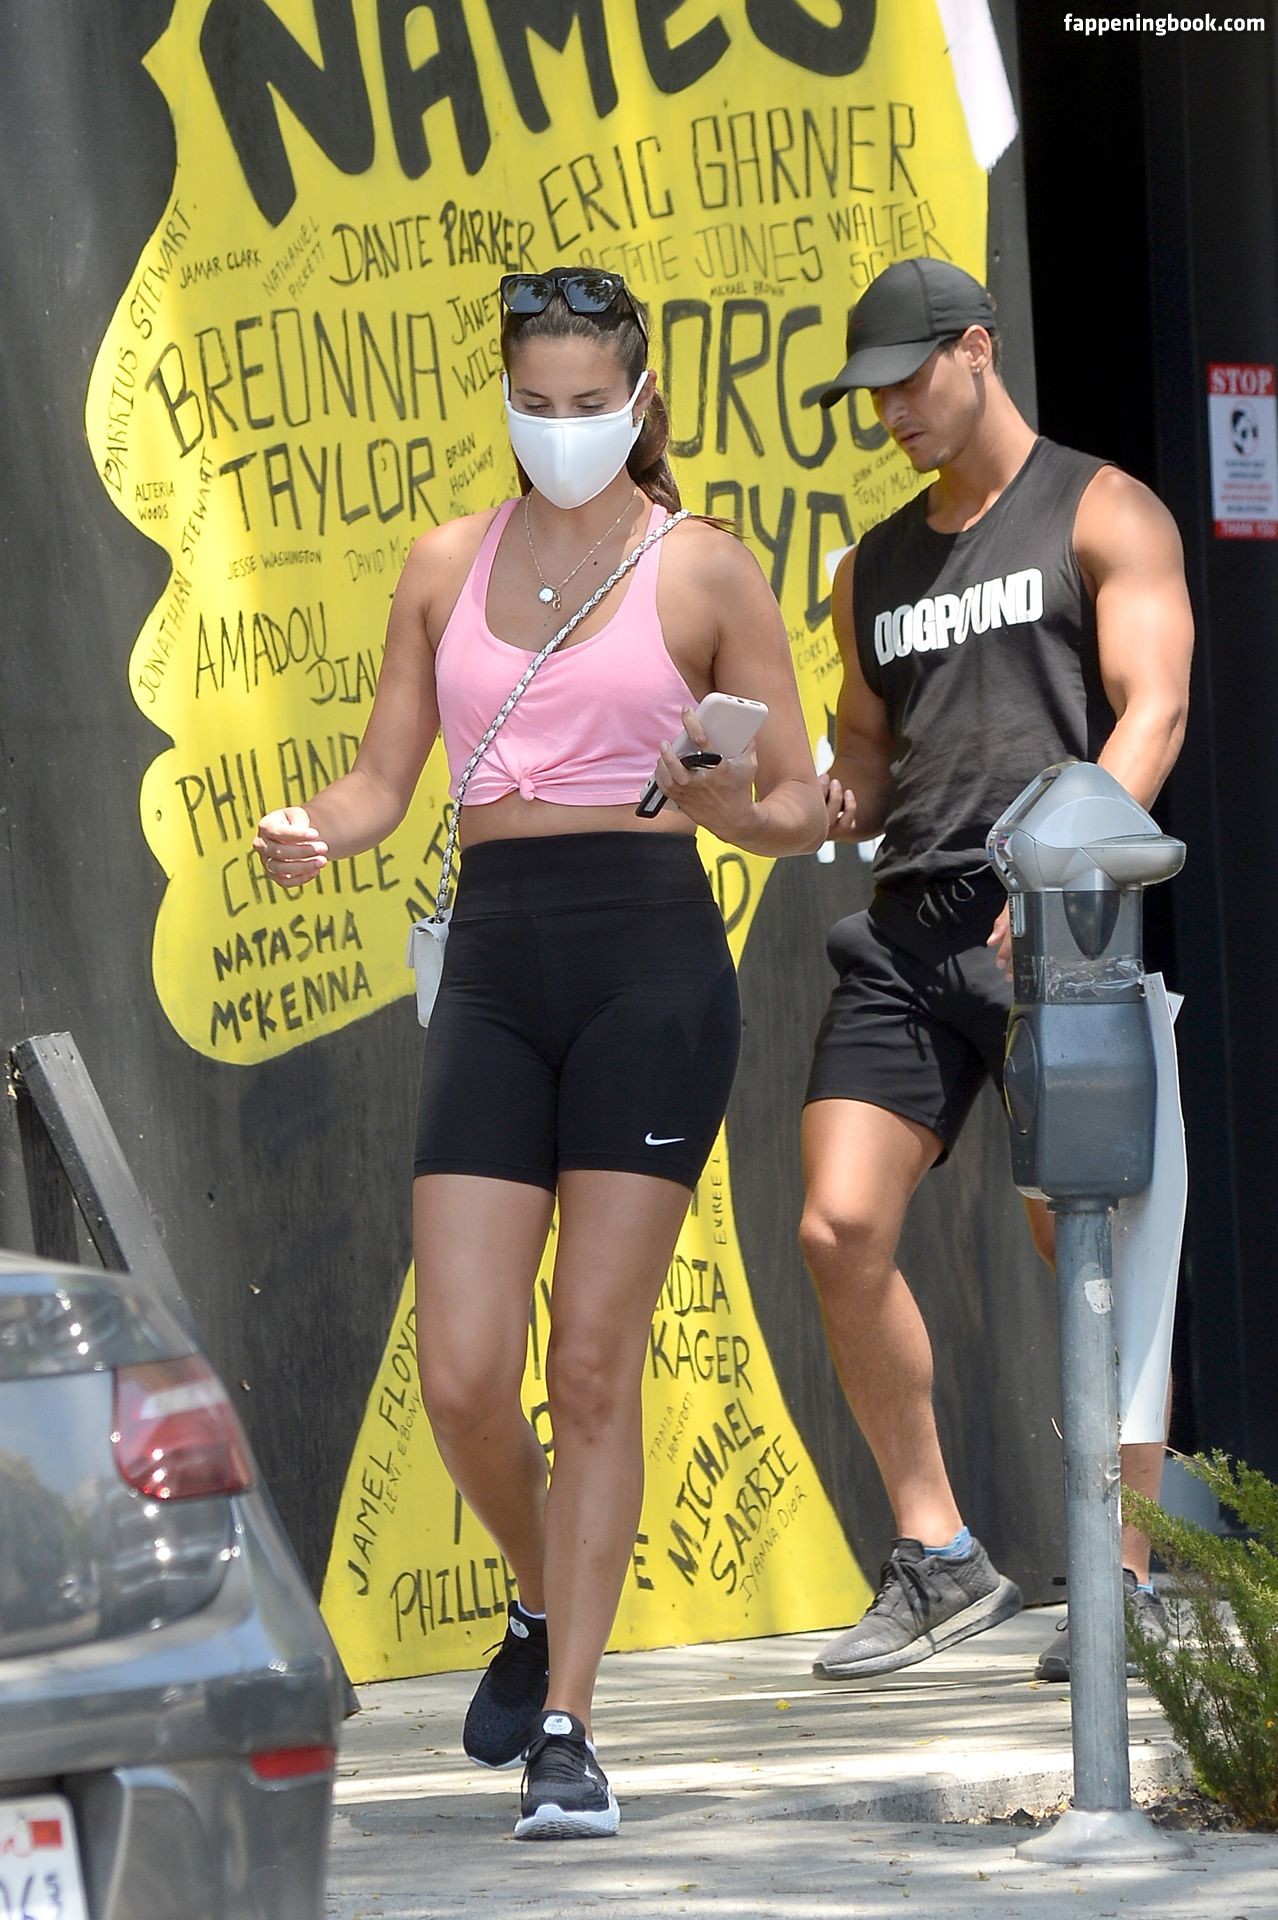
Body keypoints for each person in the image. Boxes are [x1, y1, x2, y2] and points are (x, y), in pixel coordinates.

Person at [254, 265, 825, 1839]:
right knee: (460, 1374)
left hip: (650, 961)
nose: (559, 427)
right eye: (533, 402)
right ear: (504, 400)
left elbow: (797, 805)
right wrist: (316, 830)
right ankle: (537, 1592)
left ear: (638, 402)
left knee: (587, 1361)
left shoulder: (704, 568)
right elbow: (382, 782)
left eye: (586, 403)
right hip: (495, 961)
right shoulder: (444, 561)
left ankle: (567, 1725)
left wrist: (720, 802)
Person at [799, 256, 1194, 1683]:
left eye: (908, 379)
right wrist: (772, 795)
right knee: (837, 1228)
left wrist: (1067, 859)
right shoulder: (870, 566)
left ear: (977, 349)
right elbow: (859, 760)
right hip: (909, 924)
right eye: (870, 394)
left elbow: (1154, 706)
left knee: (1088, 1243)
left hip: (1055, 918)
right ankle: (940, 1557)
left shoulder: (1100, 507)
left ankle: (1123, 1571)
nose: (889, 412)